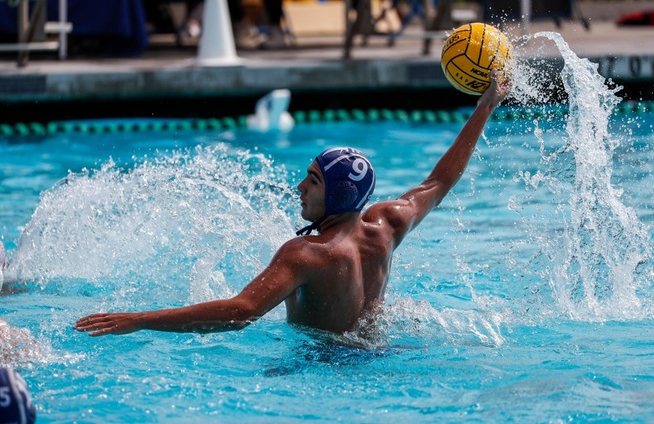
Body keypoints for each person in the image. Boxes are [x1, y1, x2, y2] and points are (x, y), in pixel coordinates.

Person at [74, 71, 509, 337]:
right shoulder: (386, 225)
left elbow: (242, 312)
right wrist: (485, 106)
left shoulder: (308, 254)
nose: (299, 187)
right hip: (377, 353)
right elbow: (440, 180)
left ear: (338, 195)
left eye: (313, 180)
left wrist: (139, 319)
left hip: (318, 371)